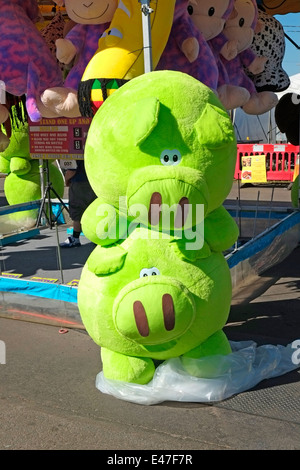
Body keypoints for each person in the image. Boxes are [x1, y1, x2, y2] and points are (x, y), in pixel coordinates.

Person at [60, 159, 96, 248]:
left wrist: (66, 180)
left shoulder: (75, 151)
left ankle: (75, 238)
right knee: (93, 209)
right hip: (93, 182)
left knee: (77, 211)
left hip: (78, 183)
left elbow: (71, 170)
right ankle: (97, 237)